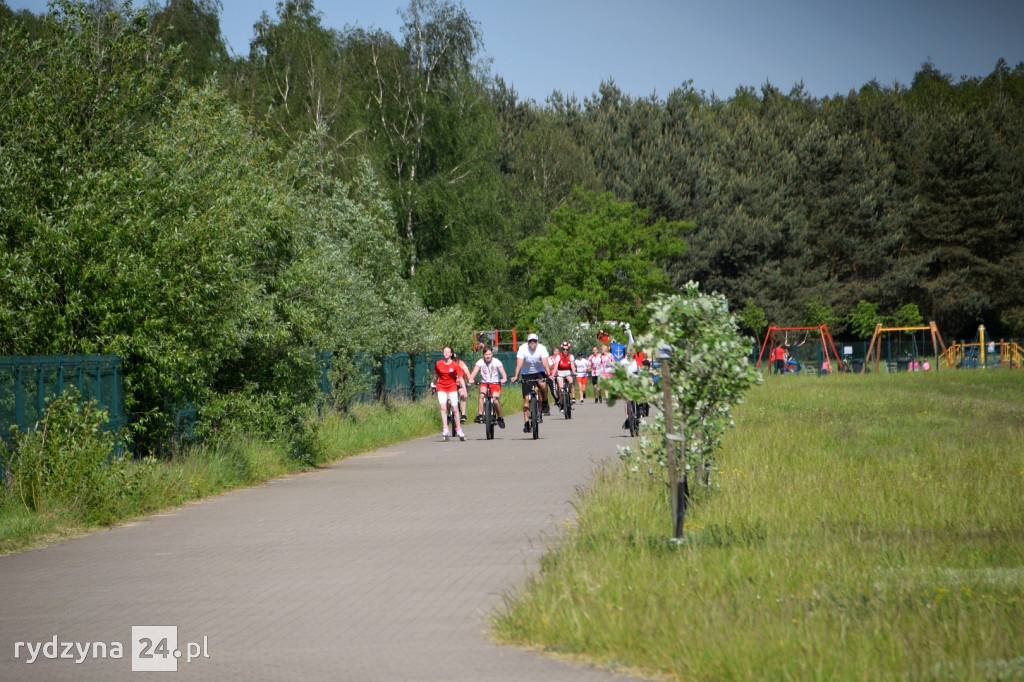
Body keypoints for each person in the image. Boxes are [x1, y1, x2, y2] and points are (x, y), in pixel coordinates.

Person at [511, 333, 552, 433]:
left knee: (542, 384)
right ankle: (526, 424)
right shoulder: (522, 349)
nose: (532, 343)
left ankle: (545, 403)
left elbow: (545, 363)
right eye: (530, 341)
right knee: (526, 399)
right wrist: (516, 376)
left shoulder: (542, 348)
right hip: (526, 373)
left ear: (537, 342)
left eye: (534, 341)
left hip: (539, 371)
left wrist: (549, 374)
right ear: (528, 342)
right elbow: (519, 364)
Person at [431, 346, 466, 441]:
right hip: (441, 387)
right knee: (443, 407)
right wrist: (433, 386)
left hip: (452, 388)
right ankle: (445, 429)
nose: (446, 353)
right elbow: (436, 376)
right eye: (444, 352)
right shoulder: (438, 364)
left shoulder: (455, 365)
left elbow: (461, 378)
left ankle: (459, 430)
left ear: (451, 354)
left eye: (448, 352)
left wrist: (464, 390)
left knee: (455, 409)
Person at [468, 346, 507, 429]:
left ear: (492, 354)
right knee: (482, 395)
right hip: (484, 383)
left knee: (495, 400)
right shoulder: (480, 362)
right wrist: (471, 379)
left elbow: (502, 371)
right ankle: (480, 415)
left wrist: (504, 378)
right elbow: (474, 371)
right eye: (486, 354)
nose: (488, 356)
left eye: (489, 354)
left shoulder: (497, 361)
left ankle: (500, 417)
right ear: (483, 355)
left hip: (495, 383)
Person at [552, 342, 575, 411]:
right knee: (560, 387)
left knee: (571, 381)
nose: (565, 351)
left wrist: (574, 371)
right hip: (560, 372)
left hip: (568, 371)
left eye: (567, 349)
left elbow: (572, 365)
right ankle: (562, 402)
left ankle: (573, 397)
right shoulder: (559, 356)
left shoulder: (571, 356)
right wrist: (553, 373)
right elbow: (555, 366)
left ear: (568, 350)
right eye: (564, 349)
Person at [452, 351, 472, 423]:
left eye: (456, 359)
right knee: (448, 401)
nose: (455, 361)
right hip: (451, 384)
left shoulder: (461, 363)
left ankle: (463, 415)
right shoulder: (450, 364)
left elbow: (466, 371)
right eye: (454, 359)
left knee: (463, 395)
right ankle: (448, 415)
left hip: (460, 384)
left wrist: (470, 379)